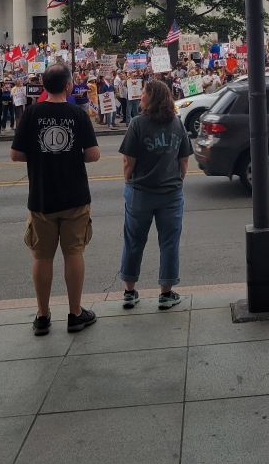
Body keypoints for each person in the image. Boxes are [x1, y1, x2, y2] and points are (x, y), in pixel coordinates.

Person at [11, 63, 100, 336]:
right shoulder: (78, 114)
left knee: (42, 257)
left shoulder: (31, 113)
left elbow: (16, 154)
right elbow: (93, 154)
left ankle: (42, 315)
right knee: (74, 253)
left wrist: (40, 155)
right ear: (68, 86)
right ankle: (75, 313)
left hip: (41, 196)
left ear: (44, 86)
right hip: (75, 195)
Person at [118, 79, 193, 310]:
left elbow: (128, 161)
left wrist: (128, 180)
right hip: (170, 193)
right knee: (169, 242)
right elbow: (184, 160)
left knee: (133, 241)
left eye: (144, 92)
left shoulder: (137, 124)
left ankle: (129, 292)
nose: (140, 95)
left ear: (152, 98)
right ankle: (166, 293)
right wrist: (178, 179)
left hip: (140, 192)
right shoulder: (177, 123)